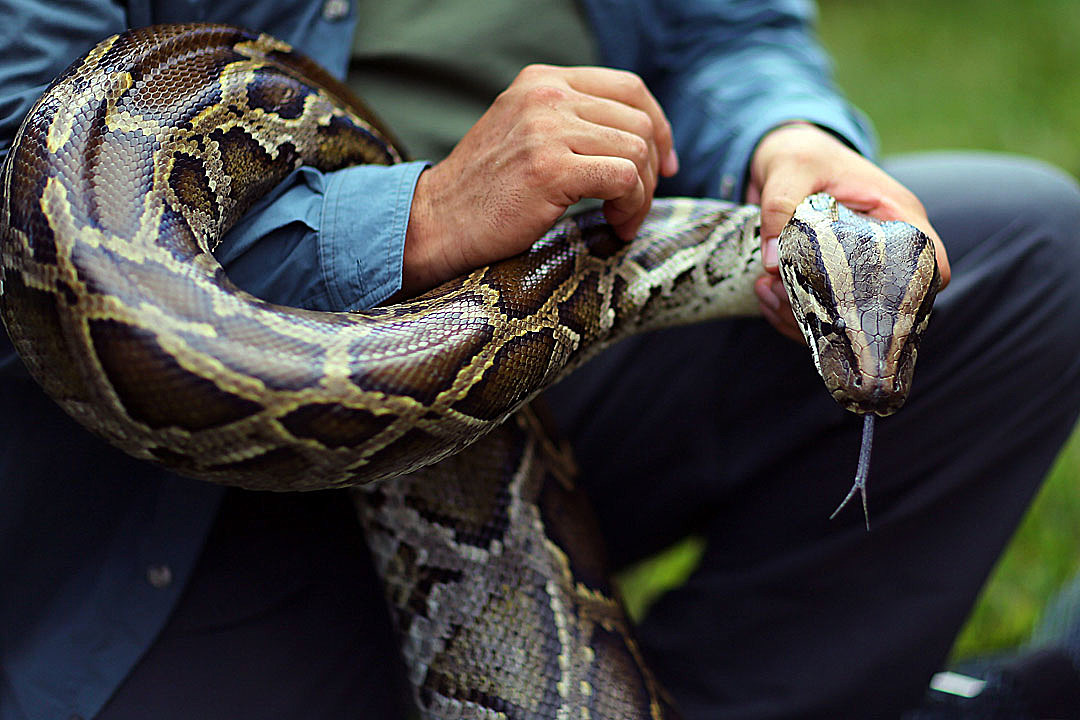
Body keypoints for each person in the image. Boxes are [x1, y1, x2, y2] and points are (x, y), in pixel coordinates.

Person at [1, 1, 1078, 719]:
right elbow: (24, 162)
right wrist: (422, 215)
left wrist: (783, 134)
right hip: (164, 486)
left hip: (544, 324)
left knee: (1028, 250)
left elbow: (732, 33)